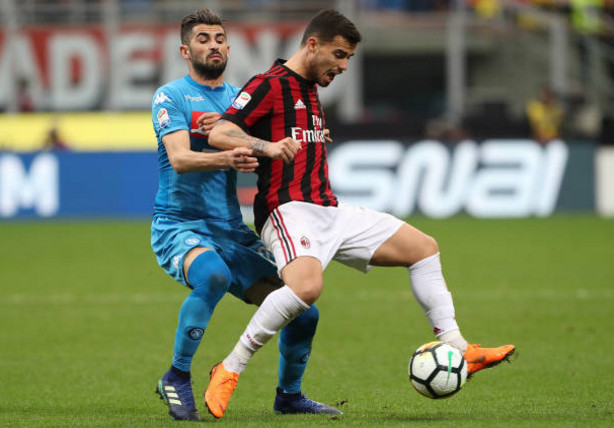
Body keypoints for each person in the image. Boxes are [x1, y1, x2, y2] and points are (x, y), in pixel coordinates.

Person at [204, 9, 516, 419]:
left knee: (423, 248)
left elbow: (289, 132)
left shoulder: (310, 89)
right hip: (288, 209)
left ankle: (459, 347)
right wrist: (266, 147)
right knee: (306, 288)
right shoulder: (270, 84)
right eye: (339, 54)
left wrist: (309, 138)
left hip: (329, 210)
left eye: (349, 57)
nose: (344, 66)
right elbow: (220, 131)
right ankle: (229, 368)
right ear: (312, 44)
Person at [150, 9, 340, 421]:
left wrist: (309, 136)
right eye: (203, 39)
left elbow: (276, 142)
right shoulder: (170, 96)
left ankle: (289, 396)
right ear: (185, 51)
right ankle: (177, 376)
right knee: (213, 276)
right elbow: (180, 159)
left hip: (230, 230)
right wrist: (228, 155)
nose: (213, 45)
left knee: (303, 309)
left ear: (229, 46)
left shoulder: (240, 98)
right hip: (180, 224)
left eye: (219, 38)